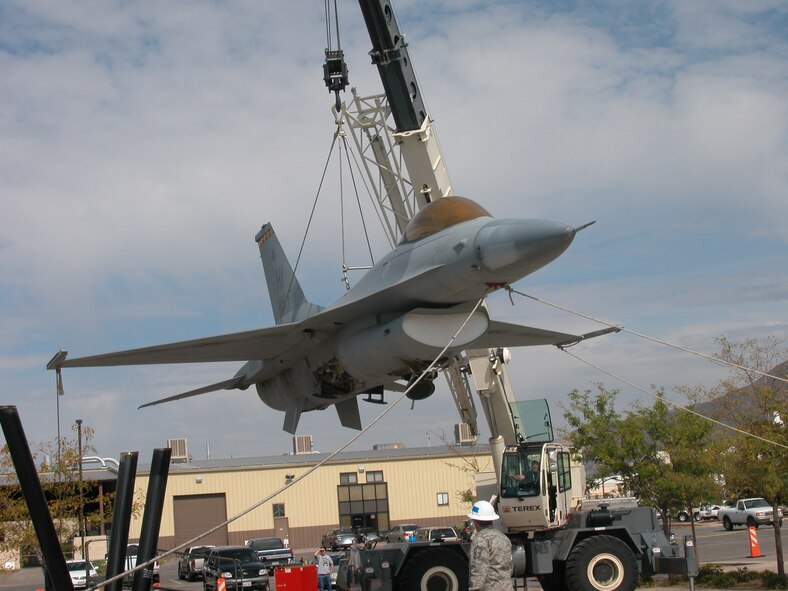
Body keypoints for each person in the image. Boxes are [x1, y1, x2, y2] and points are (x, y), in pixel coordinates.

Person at [467, 500, 513, 591]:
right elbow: (510, 567)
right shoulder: (504, 538)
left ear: (475, 521)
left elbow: (478, 572)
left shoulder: (480, 541)